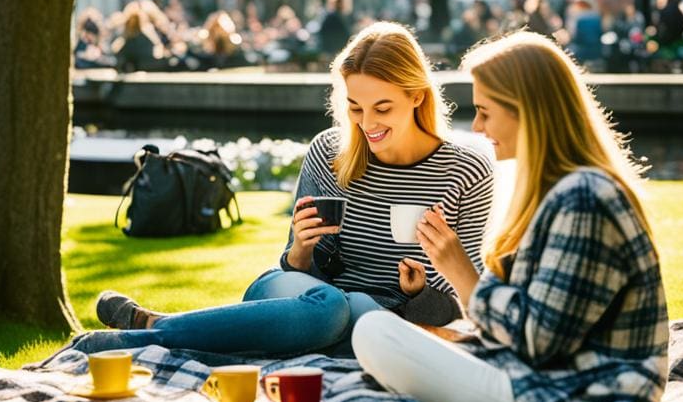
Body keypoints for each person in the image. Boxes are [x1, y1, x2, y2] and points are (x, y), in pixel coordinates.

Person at [91, 22, 495, 356]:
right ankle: (156, 331)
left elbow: (459, 306)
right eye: (355, 107)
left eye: (382, 108)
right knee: (334, 307)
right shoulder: (328, 151)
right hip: (303, 301)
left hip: (386, 321)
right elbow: (292, 272)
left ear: (416, 96)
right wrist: (300, 250)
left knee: (358, 311)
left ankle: (154, 329)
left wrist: (420, 290)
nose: (367, 122)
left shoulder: (464, 171)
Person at [353, 31, 668, 402]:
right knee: (391, 335)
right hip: (546, 375)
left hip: (582, 394)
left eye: (485, 111)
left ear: (527, 112)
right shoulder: (557, 189)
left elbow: (538, 341)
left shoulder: (585, 198)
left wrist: (461, 274)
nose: (479, 126)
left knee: (373, 333)